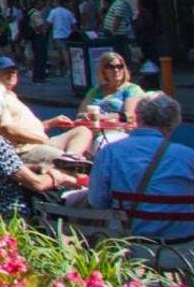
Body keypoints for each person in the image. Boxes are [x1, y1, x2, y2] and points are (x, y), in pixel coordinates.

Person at [81, 93, 194, 268]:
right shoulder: (187, 156)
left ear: (138, 118)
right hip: (183, 250)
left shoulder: (110, 152)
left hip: (132, 248)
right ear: (172, 124)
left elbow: (96, 201)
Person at [0, 78, 81, 220]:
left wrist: (38, 168)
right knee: (82, 200)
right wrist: (60, 176)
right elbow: (37, 183)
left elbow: (2, 170)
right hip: (18, 211)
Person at [0, 55, 94, 161]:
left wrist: (53, 122)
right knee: (61, 158)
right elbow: (8, 130)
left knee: (83, 131)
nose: (12, 74)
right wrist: (42, 140)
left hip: (40, 141)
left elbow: (30, 128)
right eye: (7, 72)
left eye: (14, 71)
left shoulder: (11, 95)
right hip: (26, 149)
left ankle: (71, 157)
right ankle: (68, 162)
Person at [76, 52, 145, 127]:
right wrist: (83, 116)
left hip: (120, 130)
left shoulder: (132, 89)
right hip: (95, 129)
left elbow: (130, 116)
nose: (116, 70)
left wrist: (104, 118)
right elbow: (80, 114)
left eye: (119, 66)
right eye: (111, 67)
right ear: (103, 70)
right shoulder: (96, 90)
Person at [47, 0, 76, 77]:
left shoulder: (53, 12)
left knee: (63, 52)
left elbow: (49, 23)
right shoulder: (68, 12)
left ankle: (68, 69)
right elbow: (74, 24)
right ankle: (60, 68)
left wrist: (46, 30)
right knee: (62, 52)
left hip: (58, 35)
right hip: (68, 34)